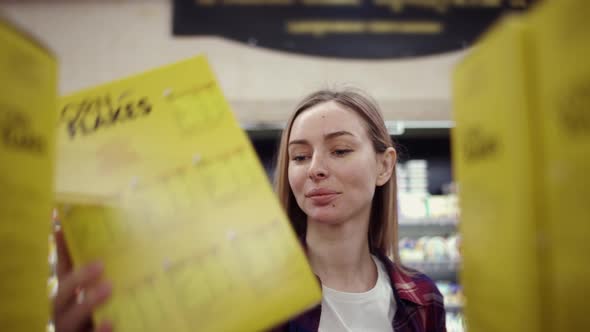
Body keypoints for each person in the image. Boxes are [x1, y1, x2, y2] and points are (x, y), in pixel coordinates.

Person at [52, 88, 446, 332]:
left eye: (340, 150)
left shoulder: (423, 300)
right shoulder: (241, 289)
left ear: (384, 165)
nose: (316, 169)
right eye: (299, 155)